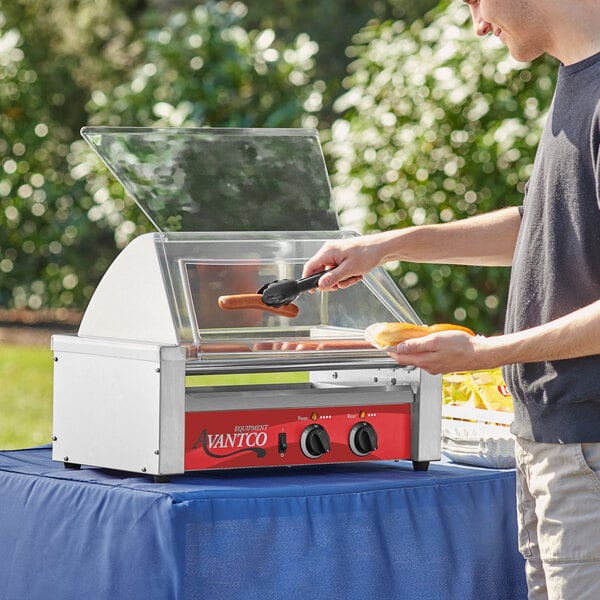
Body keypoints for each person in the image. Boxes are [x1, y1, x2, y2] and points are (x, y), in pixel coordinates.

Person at [302, 1, 600, 598]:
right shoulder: (578, 82)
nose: (478, 23)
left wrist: (484, 352)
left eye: (474, 0)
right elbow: (542, 228)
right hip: (551, 441)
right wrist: (389, 247)